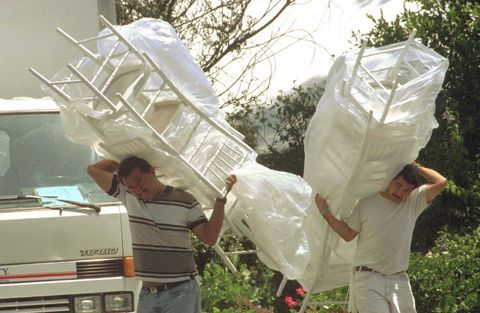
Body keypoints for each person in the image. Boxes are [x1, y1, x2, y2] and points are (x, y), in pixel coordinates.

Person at [87, 156, 237, 313]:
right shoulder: (127, 194)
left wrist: (221, 201)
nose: (138, 190)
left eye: (140, 181)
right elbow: (93, 170)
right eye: (131, 186)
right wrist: (119, 162)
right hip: (147, 294)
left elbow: (209, 238)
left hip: (180, 291)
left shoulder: (184, 200)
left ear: (152, 172)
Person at [315, 163, 447, 313]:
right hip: (368, 278)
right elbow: (347, 234)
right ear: (390, 180)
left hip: (398, 279)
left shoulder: (413, 202)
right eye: (398, 185)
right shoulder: (367, 203)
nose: (400, 192)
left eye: (406, 190)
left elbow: (441, 182)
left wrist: (415, 166)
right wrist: (325, 211)